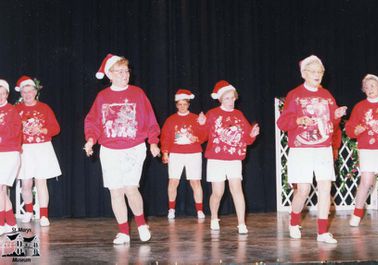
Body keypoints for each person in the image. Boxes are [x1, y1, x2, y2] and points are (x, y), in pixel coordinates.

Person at [84, 54, 161, 245]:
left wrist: (153, 142)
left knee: (130, 188)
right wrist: (90, 140)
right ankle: (124, 232)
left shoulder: (137, 93)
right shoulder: (102, 97)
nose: (125, 75)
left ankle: (142, 224)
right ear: (110, 75)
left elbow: (150, 119)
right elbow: (93, 121)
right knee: (115, 191)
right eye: (120, 71)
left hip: (133, 148)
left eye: (126, 71)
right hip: (110, 150)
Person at [277, 55, 347, 244]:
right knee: (303, 190)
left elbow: (331, 121)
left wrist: (337, 115)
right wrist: (298, 120)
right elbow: (282, 122)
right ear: (304, 74)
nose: (317, 75)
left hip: (322, 148)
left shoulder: (327, 95)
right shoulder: (295, 95)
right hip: (302, 149)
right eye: (313, 71)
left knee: (325, 187)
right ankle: (294, 221)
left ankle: (322, 232)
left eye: (320, 72)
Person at [198, 80, 260, 234]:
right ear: (220, 99)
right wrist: (201, 124)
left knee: (237, 189)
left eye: (232, 98)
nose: (231, 101)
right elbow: (202, 137)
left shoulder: (239, 115)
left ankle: (241, 223)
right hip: (216, 159)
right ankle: (213, 217)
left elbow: (247, 138)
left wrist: (252, 135)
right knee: (218, 192)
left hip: (234, 159)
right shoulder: (212, 114)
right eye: (227, 98)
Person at [345, 74, 378, 226]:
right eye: (367, 87)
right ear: (363, 89)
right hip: (368, 149)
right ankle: (357, 213)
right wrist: (357, 130)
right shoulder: (359, 107)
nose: (370, 89)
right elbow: (350, 129)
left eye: (373, 86)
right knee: (367, 181)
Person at [15, 75, 61, 227]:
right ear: (21, 93)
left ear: (35, 92)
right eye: (24, 92)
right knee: (26, 183)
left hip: (42, 148)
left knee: (41, 182)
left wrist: (42, 129)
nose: (27, 95)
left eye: (30, 91)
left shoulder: (44, 108)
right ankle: (28, 211)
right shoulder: (16, 109)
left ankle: (43, 215)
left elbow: (56, 128)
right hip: (24, 149)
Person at [161, 89, 206, 220]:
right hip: (176, 153)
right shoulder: (171, 120)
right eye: (179, 104)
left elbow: (204, 136)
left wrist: (197, 136)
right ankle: (171, 209)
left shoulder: (196, 118)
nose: (182, 106)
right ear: (176, 105)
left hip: (194, 153)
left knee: (195, 182)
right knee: (173, 181)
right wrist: (165, 153)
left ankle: (199, 210)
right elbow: (165, 138)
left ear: (188, 104)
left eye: (184, 104)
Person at [0, 79, 21, 235]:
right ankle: (11, 223)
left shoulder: (12, 111)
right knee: (2, 189)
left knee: (0, 188)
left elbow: (15, 132)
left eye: (2, 94)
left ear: (7, 94)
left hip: (9, 153)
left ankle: (1, 224)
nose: (0, 96)